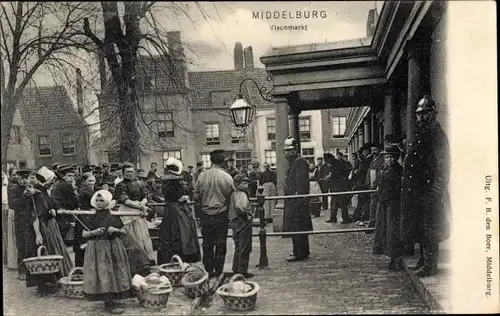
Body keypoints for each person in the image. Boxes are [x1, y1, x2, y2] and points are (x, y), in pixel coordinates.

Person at [401, 95, 450, 277]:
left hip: (429, 190)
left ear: (433, 114)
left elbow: (443, 164)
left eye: (425, 114)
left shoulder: (437, 134)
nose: (421, 117)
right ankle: (423, 260)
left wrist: (436, 190)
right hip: (418, 190)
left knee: (430, 228)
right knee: (421, 226)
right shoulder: (422, 133)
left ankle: (430, 265)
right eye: (419, 114)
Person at [82, 190, 131, 314]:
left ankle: (115, 298)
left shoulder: (114, 215)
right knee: (103, 273)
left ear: (107, 202)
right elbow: (84, 234)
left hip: (114, 247)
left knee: (115, 272)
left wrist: (115, 230)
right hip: (97, 248)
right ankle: (108, 302)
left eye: (102, 201)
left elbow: (125, 231)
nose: (99, 203)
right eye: (97, 201)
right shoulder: (90, 216)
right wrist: (95, 232)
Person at [194, 149, 234, 277]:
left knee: (207, 243)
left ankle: (209, 270)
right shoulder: (227, 177)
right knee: (221, 243)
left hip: (206, 214)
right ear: (223, 161)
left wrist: (199, 214)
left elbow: (196, 197)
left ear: (211, 161)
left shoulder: (202, 176)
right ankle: (219, 270)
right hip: (221, 214)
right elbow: (231, 196)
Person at [158, 157, 201, 264]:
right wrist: (185, 198)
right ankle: (183, 257)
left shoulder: (166, 183)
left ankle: (173, 258)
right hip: (177, 210)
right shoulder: (175, 184)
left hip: (169, 210)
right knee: (182, 232)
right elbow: (178, 198)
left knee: (171, 234)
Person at [115, 162, 155, 265]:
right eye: (127, 172)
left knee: (143, 235)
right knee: (132, 236)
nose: (129, 174)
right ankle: (133, 261)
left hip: (139, 211)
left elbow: (145, 197)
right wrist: (139, 206)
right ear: (123, 173)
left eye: (131, 172)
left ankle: (146, 259)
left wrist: (142, 203)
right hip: (127, 211)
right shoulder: (120, 185)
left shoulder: (140, 183)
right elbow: (125, 200)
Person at [283, 137, 312, 262]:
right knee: (299, 226)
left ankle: (298, 252)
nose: (287, 153)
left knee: (297, 226)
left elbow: (302, 184)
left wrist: (297, 198)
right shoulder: (295, 161)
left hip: (297, 200)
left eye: (290, 151)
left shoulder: (299, 162)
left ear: (295, 150)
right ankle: (303, 251)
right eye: (286, 151)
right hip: (296, 200)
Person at [374, 144, 403, 269]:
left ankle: (397, 259)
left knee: (393, 232)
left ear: (396, 158)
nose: (389, 160)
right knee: (385, 231)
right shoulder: (384, 171)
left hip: (394, 205)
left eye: (391, 157)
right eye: (387, 157)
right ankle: (391, 257)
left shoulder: (399, 171)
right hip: (384, 204)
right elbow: (377, 184)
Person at [229, 174, 254, 278]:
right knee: (244, 246)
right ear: (237, 184)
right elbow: (241, 207)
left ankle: (236, 268)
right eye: (244, 183)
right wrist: (248, 215)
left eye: (247, 183)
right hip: (242, 221)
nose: (246, 185)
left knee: (238, 246)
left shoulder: (234, 194)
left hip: (235, 221)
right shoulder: (241, 194)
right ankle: (242, 270)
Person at [51, 165, 79, 242]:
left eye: (73, 176)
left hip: (60, 216)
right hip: (64, 218)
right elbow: (76, 203)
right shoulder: (66, 185)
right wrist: (75, 189)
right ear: (63, 176)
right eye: (69, 176)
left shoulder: (59, 184)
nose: (72, 178)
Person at [75, 172, 96, 267]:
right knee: (84, 240)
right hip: (85, 217)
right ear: (84, 181)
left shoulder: (89, 190)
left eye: (93, 180)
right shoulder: (85, 190)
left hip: (87, 216)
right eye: (89, 181)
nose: (92, 183)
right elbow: (94, 200)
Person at [365, 144, 384, 228]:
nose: (373, 152)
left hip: (377, 186)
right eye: (372, 150)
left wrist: (377, 185)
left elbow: (380, 174)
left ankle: (374, 224)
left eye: (375, 150)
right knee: (372, 206)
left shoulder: (381, 160)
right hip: (372, 186)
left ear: (379, 150)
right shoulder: (373, 160)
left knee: (375, 206)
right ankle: (373, 223)